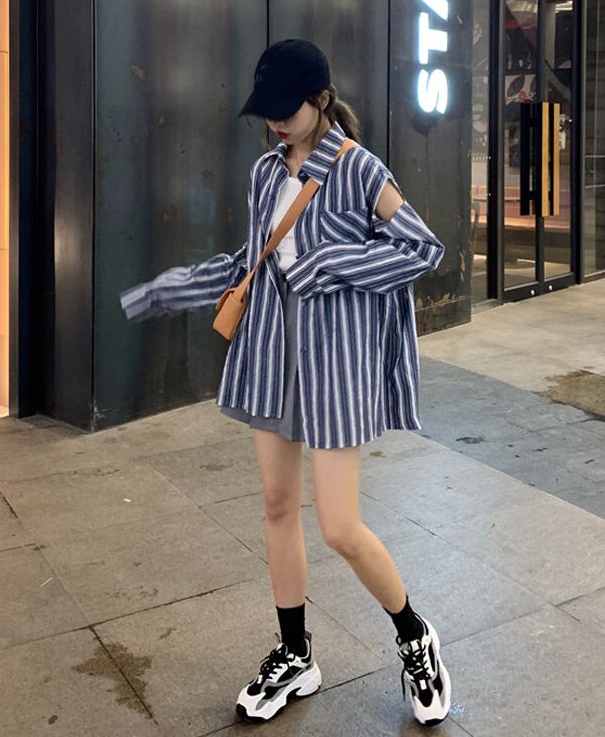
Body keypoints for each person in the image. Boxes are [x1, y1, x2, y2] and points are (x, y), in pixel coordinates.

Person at [119, 38, 451, 726]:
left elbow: (423, 247)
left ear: (320, 100)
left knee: (340, 527)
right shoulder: (266, 173)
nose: (274, 122)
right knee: (276, 505)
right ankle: (296, 653)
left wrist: (328, 263)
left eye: (285, 109)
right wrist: (170, 290)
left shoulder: (359, 170)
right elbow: (251, 262)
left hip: (334, 366)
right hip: (272, 357)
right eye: (265, 110)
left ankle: (415, 635)